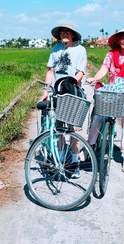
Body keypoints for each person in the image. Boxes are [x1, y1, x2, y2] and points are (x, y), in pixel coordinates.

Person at [86, 28, 124, 173]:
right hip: (113, 92)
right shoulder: (111, 54)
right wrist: (95, 78)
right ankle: (89, 147)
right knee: (98, 118)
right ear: (118, 41)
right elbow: (103, 70)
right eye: (122, 38)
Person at [39, 22, 87, 178]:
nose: (65, 34)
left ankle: (74, 164)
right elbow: (51, 71)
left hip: (72, 94)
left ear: (73, 34)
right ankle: (59, 162)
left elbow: (80, 73)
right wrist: (47, 90)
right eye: (62, 32)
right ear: (59, 35)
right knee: (57, 129)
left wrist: (71, 83)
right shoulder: (55, 49)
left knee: (73, 130)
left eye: (68, 32)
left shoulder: (80, 50)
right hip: (57, 94)